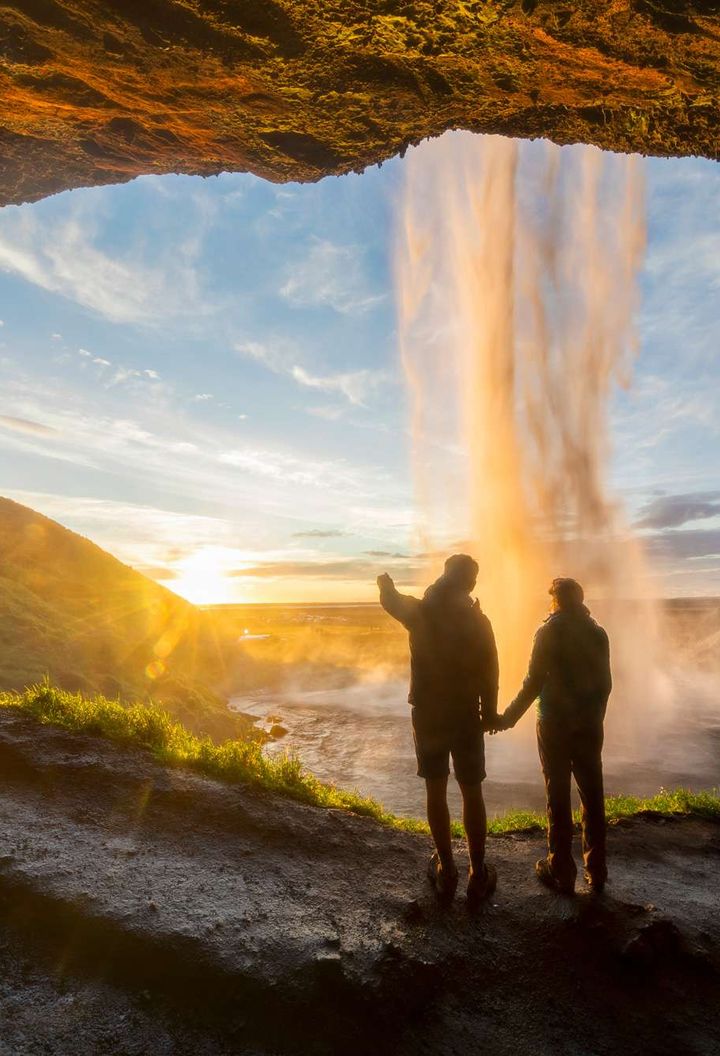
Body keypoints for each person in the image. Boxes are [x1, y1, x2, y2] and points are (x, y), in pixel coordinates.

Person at [377, 554, 499, 907]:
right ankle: (478, 874)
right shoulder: (478, 620)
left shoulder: (423, 611)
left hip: (429, 713)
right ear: (471, 582)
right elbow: (491, 670)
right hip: (466, 714)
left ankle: (446, 869)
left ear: (445, 575)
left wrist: (385, 583)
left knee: (436, 788)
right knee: (472, 791)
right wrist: (489, 713)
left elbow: (391, 601)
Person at [495, 578, 611, 895]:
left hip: (553, 723)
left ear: (556, 601)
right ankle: (596, 870)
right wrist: (595, 717)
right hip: (589, 725)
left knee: (557, 793)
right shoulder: (598, 633)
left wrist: (507, 718)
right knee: (592, 795)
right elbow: (605, 685)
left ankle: (560, 870)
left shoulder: (548, 631)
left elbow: (534, 681)